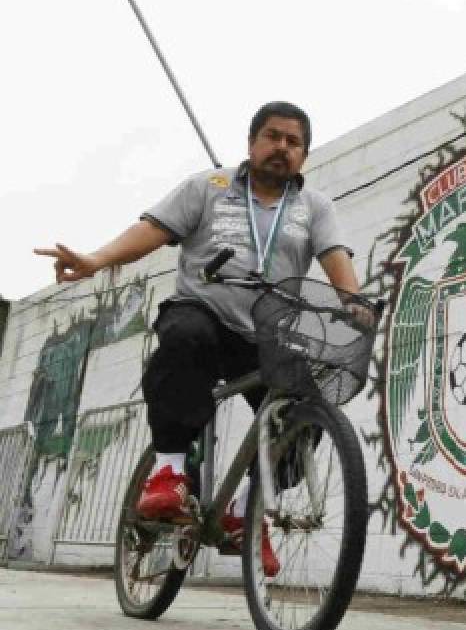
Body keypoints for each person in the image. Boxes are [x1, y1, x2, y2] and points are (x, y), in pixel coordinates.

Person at [35, 101, 360, 576]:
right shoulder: (208, 189)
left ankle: (245, 511)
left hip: (268, 332)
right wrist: (96, 260)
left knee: (303, 410)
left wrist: (353, 303)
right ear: (252, 143)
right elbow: (150, 231)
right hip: (204, 312)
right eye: (273, 136)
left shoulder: (315, 207)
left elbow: (334, 256)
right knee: (183, 339)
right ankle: (168, 470)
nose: (282, 148)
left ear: (304, 156)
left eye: (293, 142)